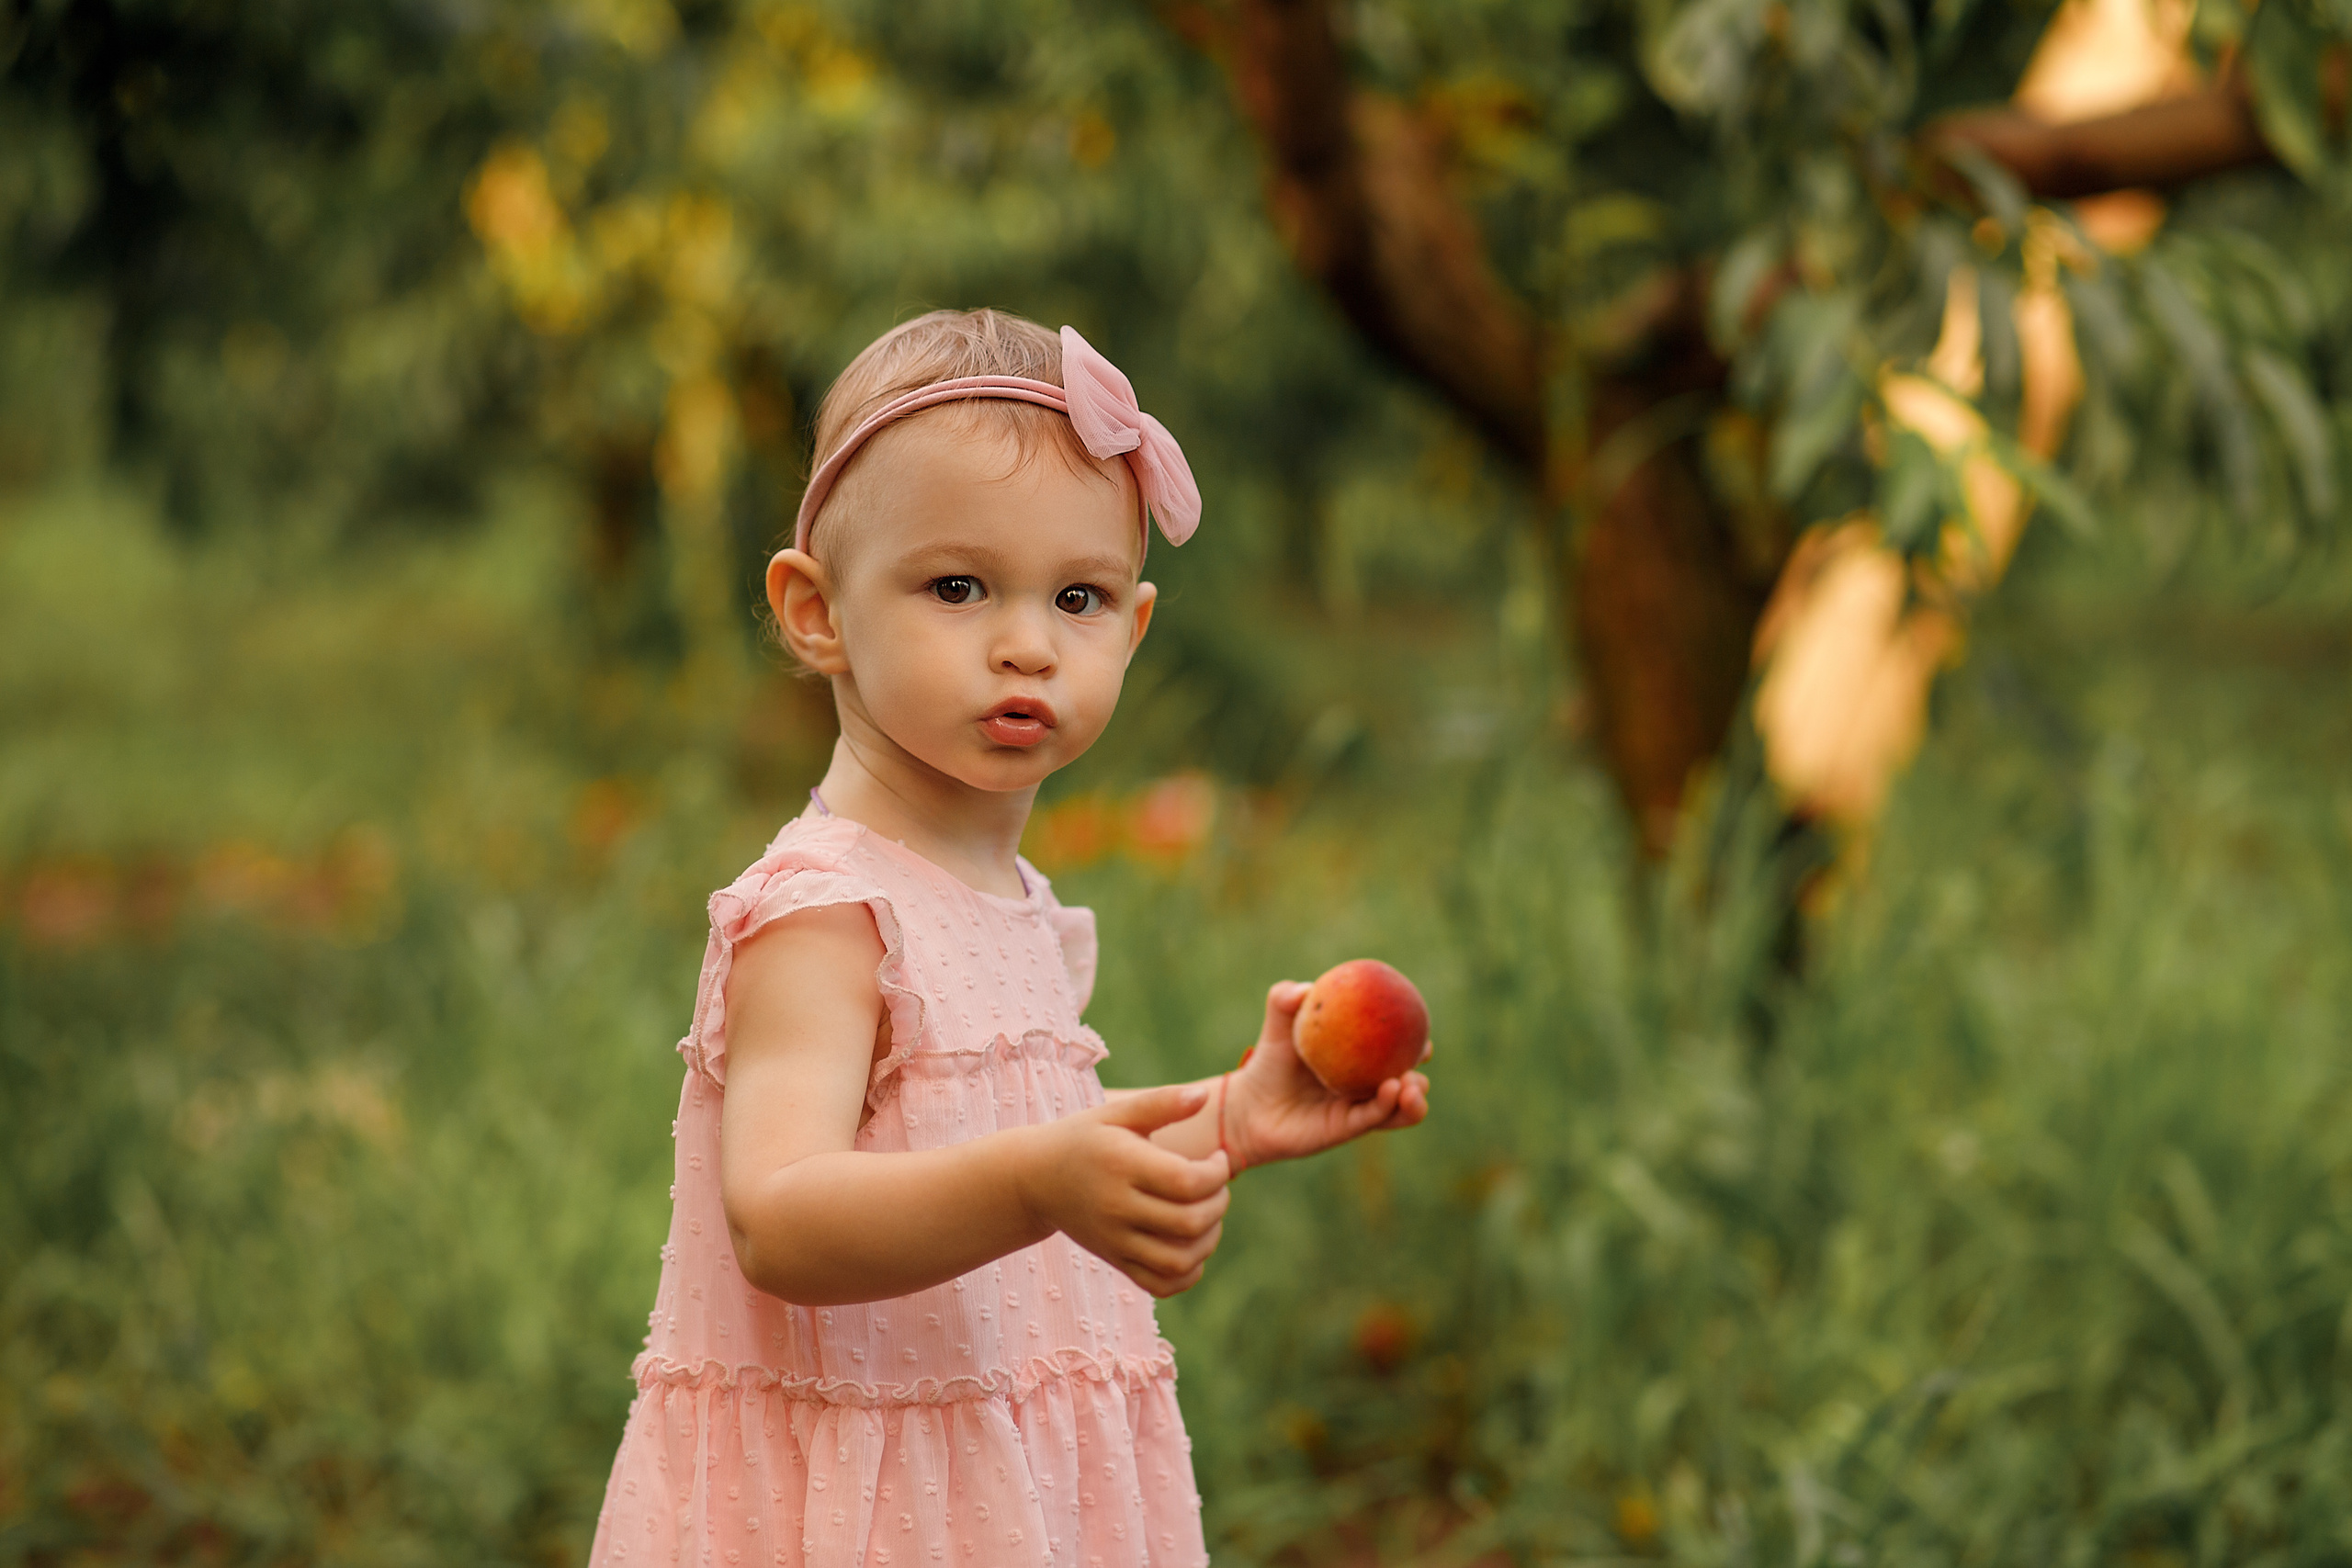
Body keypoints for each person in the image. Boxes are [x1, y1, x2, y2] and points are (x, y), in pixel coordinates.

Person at [588, 309, 1430, 1568]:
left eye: (1077, 597)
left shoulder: (1015, 899)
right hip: (873, 1510)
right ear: (816, 613)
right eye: (958, 587)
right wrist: (1044, 1185)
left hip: (1006, 1485)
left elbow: (1015, 1143)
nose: (1028, 641)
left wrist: (1226, 1120)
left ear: (1132, 632)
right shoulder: (824, 911)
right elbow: (780, 1215)